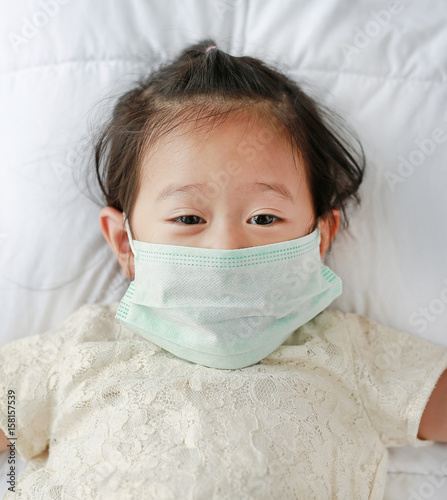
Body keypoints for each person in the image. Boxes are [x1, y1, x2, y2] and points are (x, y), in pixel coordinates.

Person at [1, 38, 447, 499]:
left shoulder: (353, 356)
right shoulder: (79, 350)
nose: (227, 247)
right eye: (189, 219)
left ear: (321, 238)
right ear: (124, 242)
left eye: (264, 218)